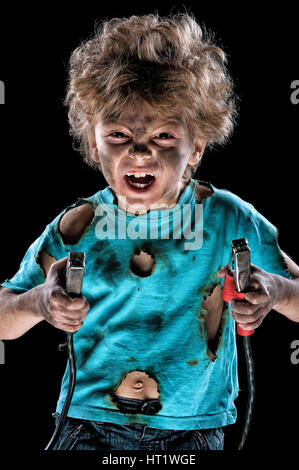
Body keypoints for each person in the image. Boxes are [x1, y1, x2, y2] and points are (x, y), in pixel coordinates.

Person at [1, 12, 299, 451]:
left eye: (162, 135)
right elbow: (5, 318)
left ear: (196, 145)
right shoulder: (75, 226)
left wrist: (274, 291)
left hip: (193, 433)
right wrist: (38, 302)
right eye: (119, 134)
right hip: (88, 426)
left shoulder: (228, 217)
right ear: (92, 143)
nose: (140, 150)